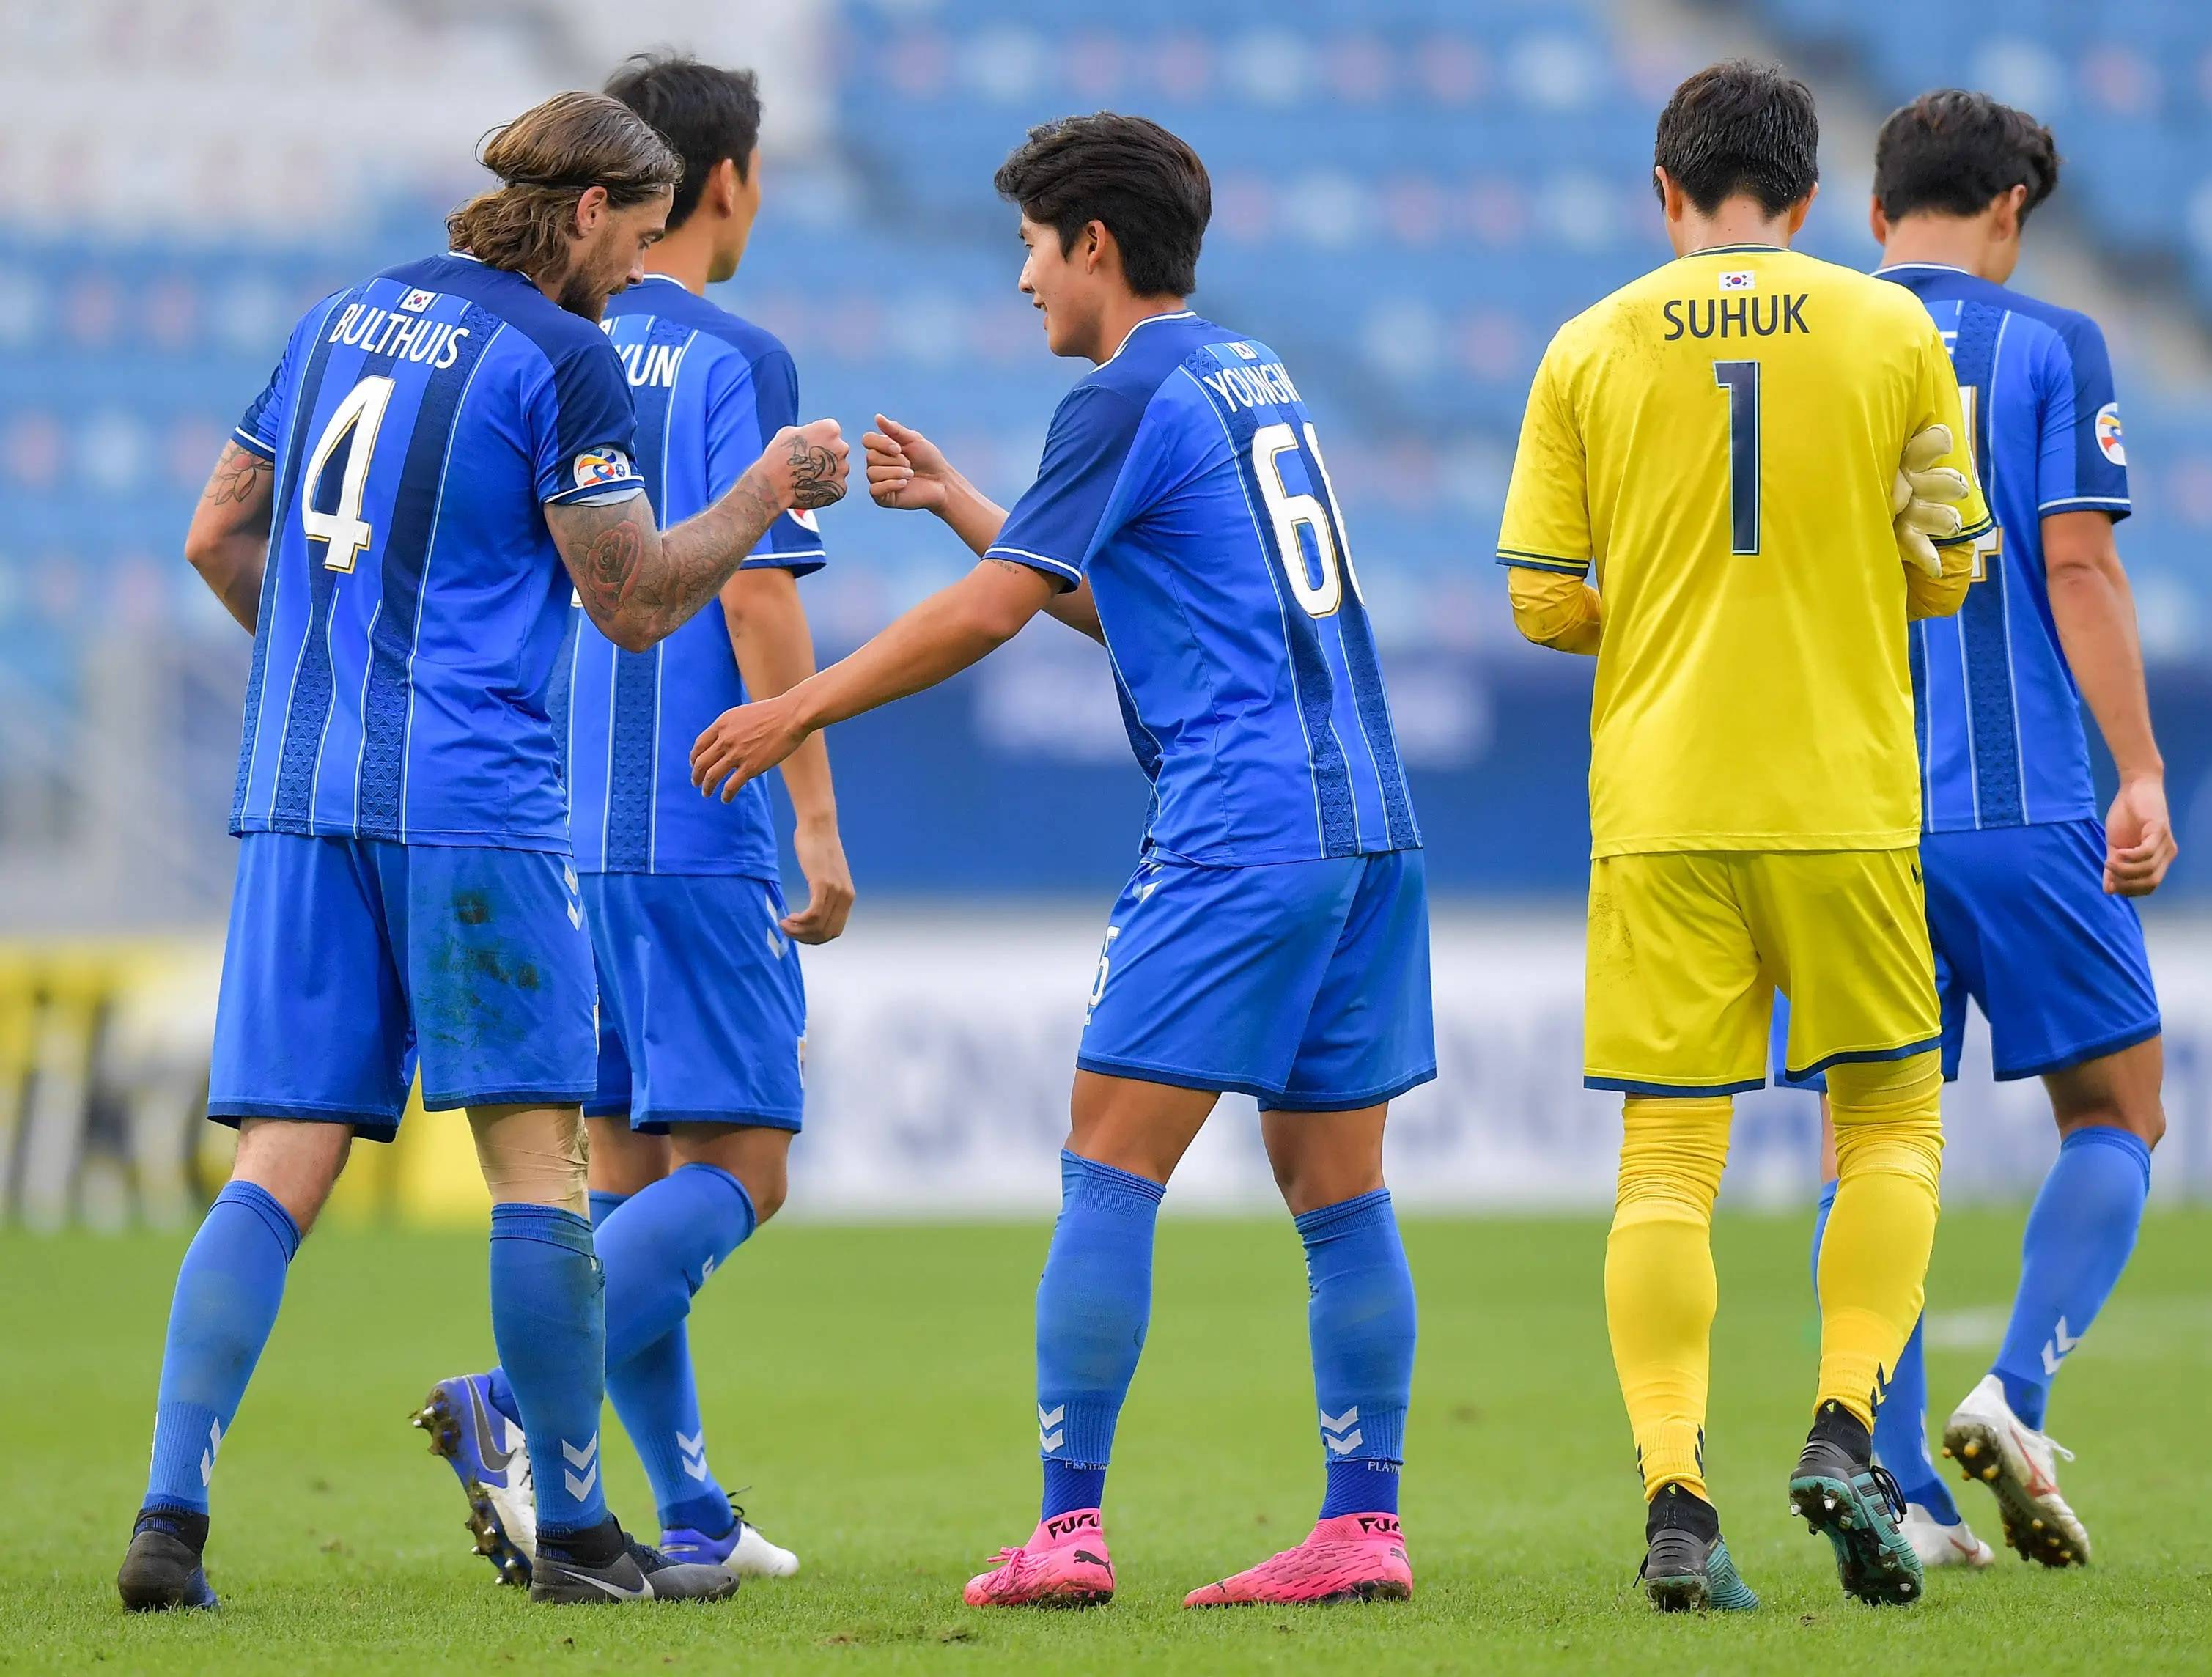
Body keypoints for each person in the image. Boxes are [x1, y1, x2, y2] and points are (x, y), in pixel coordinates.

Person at [690, 112, 1431, 1610]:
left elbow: (987, 617)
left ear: (1095, 244)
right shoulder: (1250, 373)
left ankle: (1068, 1529)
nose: (1023, 276)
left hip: (1242, 824)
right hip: (1370, 821)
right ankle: (1363, 1527)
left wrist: (796, 704)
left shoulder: (1124, 388)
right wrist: (976, 507)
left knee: (1107, 1159)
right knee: (1336, 1184)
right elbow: (1142, 605)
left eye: (1034, 244)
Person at [120, 89, 847, 1612]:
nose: (636, 267)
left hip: (300, 794)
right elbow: (636, 597)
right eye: (635, 236)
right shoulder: (563, 358)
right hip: (473, 805)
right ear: (588, 213)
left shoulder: (336, 316)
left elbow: (215, 531)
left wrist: (331, 679)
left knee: (277, 1162)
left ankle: (169, 1517)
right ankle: (578, 1530)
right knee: (540, 1165)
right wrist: (767, 493)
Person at [1500, 60, 1991, 1610]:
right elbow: (1952, 568)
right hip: (1843, 798)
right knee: (1895, 1124)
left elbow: (1537, 596)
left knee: (1667, 1160)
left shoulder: (1588, 344)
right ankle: (1848, 1421)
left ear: (1668, 193)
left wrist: (1656, 610)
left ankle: (1676, 1500)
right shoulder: (1894, 327)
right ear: (1814, 191)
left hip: (1663, 808)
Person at [413, 55, 854, 1591]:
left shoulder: (547, 342)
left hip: (560, 826)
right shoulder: (741, 355)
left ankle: (687, 1514)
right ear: (722, 183)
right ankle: (509, 1394)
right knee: (749, 1167)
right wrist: (813, 810)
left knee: (632, 1175)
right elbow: (750, 586)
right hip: (694, 821)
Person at [1772, 88, 2174, 1574]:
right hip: (2020, 806)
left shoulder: (1805, 343)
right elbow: (2076, 568)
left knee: (1872, 1148)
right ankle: (2016, 1388)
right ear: (2010, 212)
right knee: (2118, 1114)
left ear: (1877, 215)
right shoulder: (2049, 343)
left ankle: (1895, 1486)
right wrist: (2138, 768)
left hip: (1846, 813)